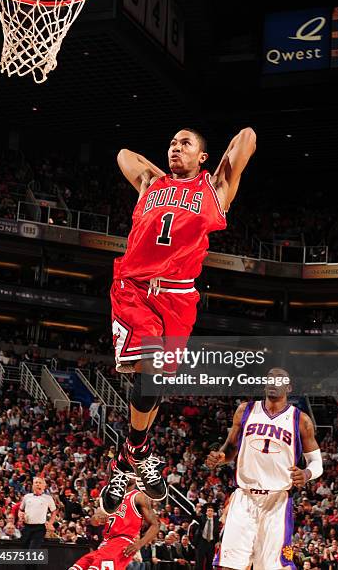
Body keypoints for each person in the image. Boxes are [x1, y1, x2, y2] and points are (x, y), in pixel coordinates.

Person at [101, 126, 257, 513]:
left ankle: (129, 458)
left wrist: (216, 168)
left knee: (155, 384)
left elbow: (247, 137)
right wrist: (164, 177)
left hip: (179, 295)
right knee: (150, 367)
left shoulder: (215, 188)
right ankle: (139, 450)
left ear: (203, 157)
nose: (175, 147)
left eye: (185, 144)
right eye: (171, 142)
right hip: (135, 287)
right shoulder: (151, 184)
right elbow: (123, 153)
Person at [206, 368, 323, 570]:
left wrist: (306, 474)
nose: (273, 382)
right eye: (269, 378)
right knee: (229, 564)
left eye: (279, 380)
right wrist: (220, 457)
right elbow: (231, 448)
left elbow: (317, 463)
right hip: (244, 497)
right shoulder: (245, 410)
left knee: (273, 567)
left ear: (289, 387)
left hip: (276, 501)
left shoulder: (301, 420)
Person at [69, 480, 159, 570]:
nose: (126, 473)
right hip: (106, 543)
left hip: (123, 542)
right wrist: (97, 518)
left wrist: (139, 544)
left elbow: (155, 525)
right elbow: (93, 521)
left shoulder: (138, 497)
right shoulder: (108, 495)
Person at [19, 477, 57, 550]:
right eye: (36, 483)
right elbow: (20, 510)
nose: (38, 484)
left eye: (40, 483)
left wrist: (50, 523)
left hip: (39, 528)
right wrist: (20, 515)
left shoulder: (48, 498)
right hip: (26, 527)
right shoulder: (27, 497)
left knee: (33, 549)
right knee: (24, 549)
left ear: (43, 486)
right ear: (33, 485)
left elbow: (54, 511)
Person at [193, 505, 219, 570]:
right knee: (199, 562)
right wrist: (197, 512)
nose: (210, 512)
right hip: (202, 542)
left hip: (211, 543)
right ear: (206, 512)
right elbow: (195, 517)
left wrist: (217, 541)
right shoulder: (202, 518)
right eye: (208, 511)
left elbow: (216, 532)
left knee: (210, 562)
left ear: (213, 513)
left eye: (211, 511)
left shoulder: (216, 521)